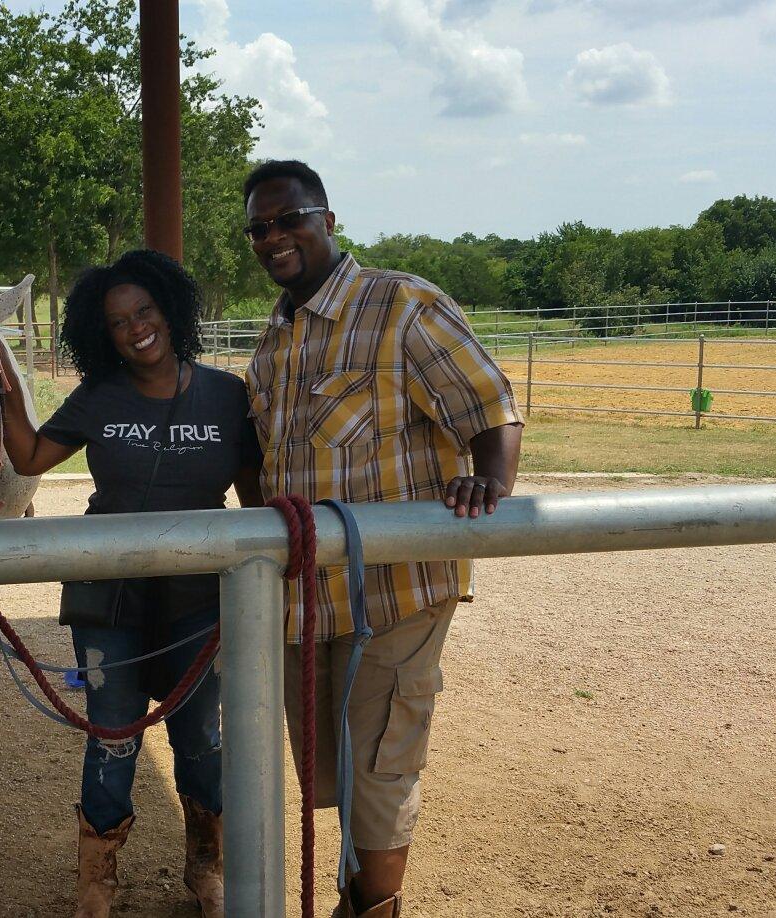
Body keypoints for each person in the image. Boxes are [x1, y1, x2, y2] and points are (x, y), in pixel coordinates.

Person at [241, 160, 524, 918]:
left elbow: (488, 404)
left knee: (380, 766)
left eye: (289, 219)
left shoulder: (400, 305)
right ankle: (352, 895)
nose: (274, 238)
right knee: (332, 771)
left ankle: (373, 910)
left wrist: (490, 480)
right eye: (259, 228)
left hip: (396, 594)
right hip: (309, 599)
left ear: (328, 220)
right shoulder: (273, 341)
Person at [0, 248, 264, 918]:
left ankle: (207, 868)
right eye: (117, 322)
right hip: (108, 598)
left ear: (170, 311)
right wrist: (3, 390)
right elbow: (30, 456)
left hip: (200, 600)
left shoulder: (228, 396)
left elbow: (259, 504)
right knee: (112, 738)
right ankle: (97, 884)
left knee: (203, 743)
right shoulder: (98, 396)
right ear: (102, 333)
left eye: (144, 311)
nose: (134, 328)